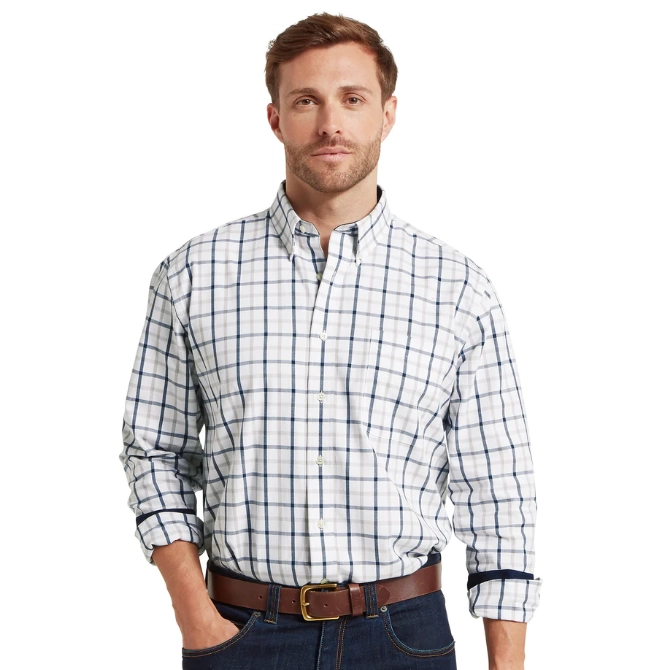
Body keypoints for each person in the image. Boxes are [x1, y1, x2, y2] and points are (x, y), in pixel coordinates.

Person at [119, 11, 542, 670]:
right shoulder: (193, 275)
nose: (329, 124)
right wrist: (195, 617)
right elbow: (155, 452)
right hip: (239, 632)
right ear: (275, 118)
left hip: (403, 636)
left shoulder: (458, 288)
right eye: (306, 101)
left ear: (388, 113)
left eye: (352, 98)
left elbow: (499, 493)